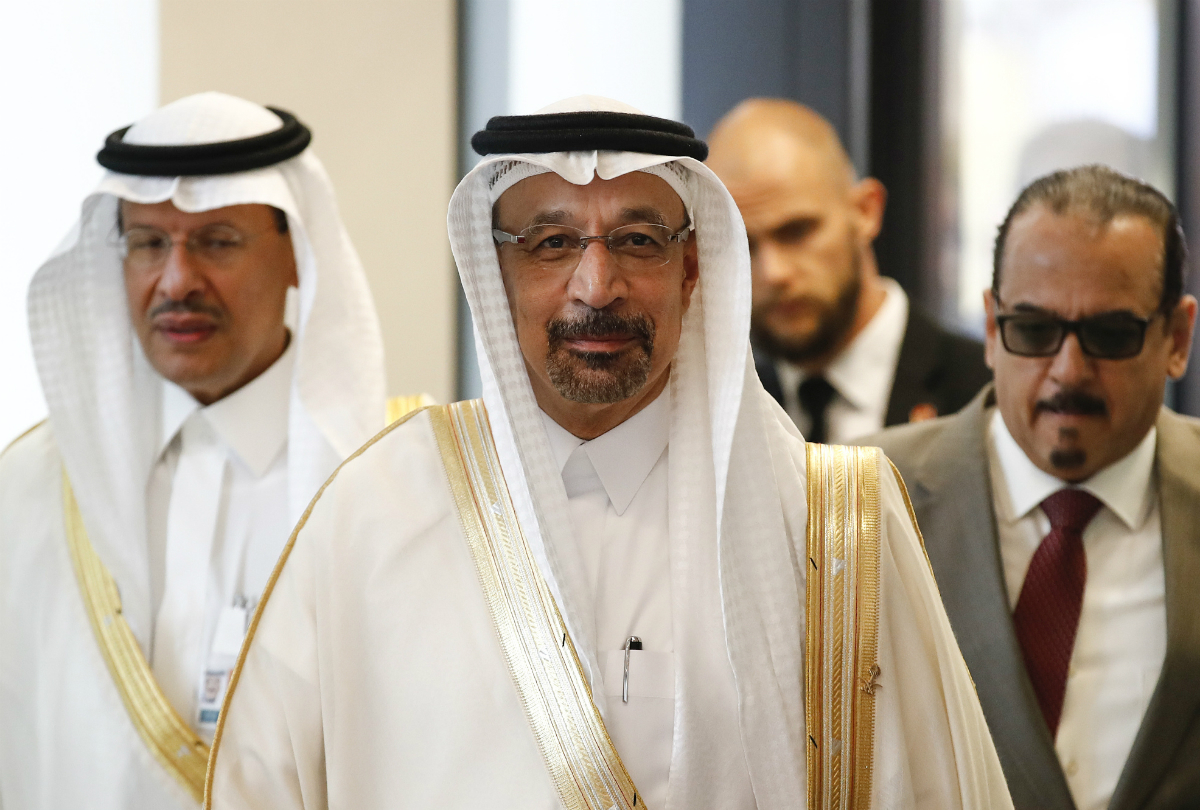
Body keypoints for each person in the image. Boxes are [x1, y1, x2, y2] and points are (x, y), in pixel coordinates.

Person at [207, 96, 1012, 810]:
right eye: (552, 243)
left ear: (692, 268)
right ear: (496, 272)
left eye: (637, 240)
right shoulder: (374, 514)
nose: (597, 286)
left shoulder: (833, 527)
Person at [0, 92, 410, 809]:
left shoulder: (401, 481)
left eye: (217, 240)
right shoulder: (29, 492)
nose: (177, 280)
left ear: (296, 256)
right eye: (148, 243)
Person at [865, 165, 1200, 809]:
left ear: (1177, 339)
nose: (1068, 372)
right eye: (1034, 330)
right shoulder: (860, 500)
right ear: (992, 328)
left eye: (1110, 336)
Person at [706, 98, 990, 442]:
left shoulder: (985, 395)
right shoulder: (715, 413)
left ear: (866, 211)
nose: (773, 273)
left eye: (798, 231)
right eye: (742, 246)